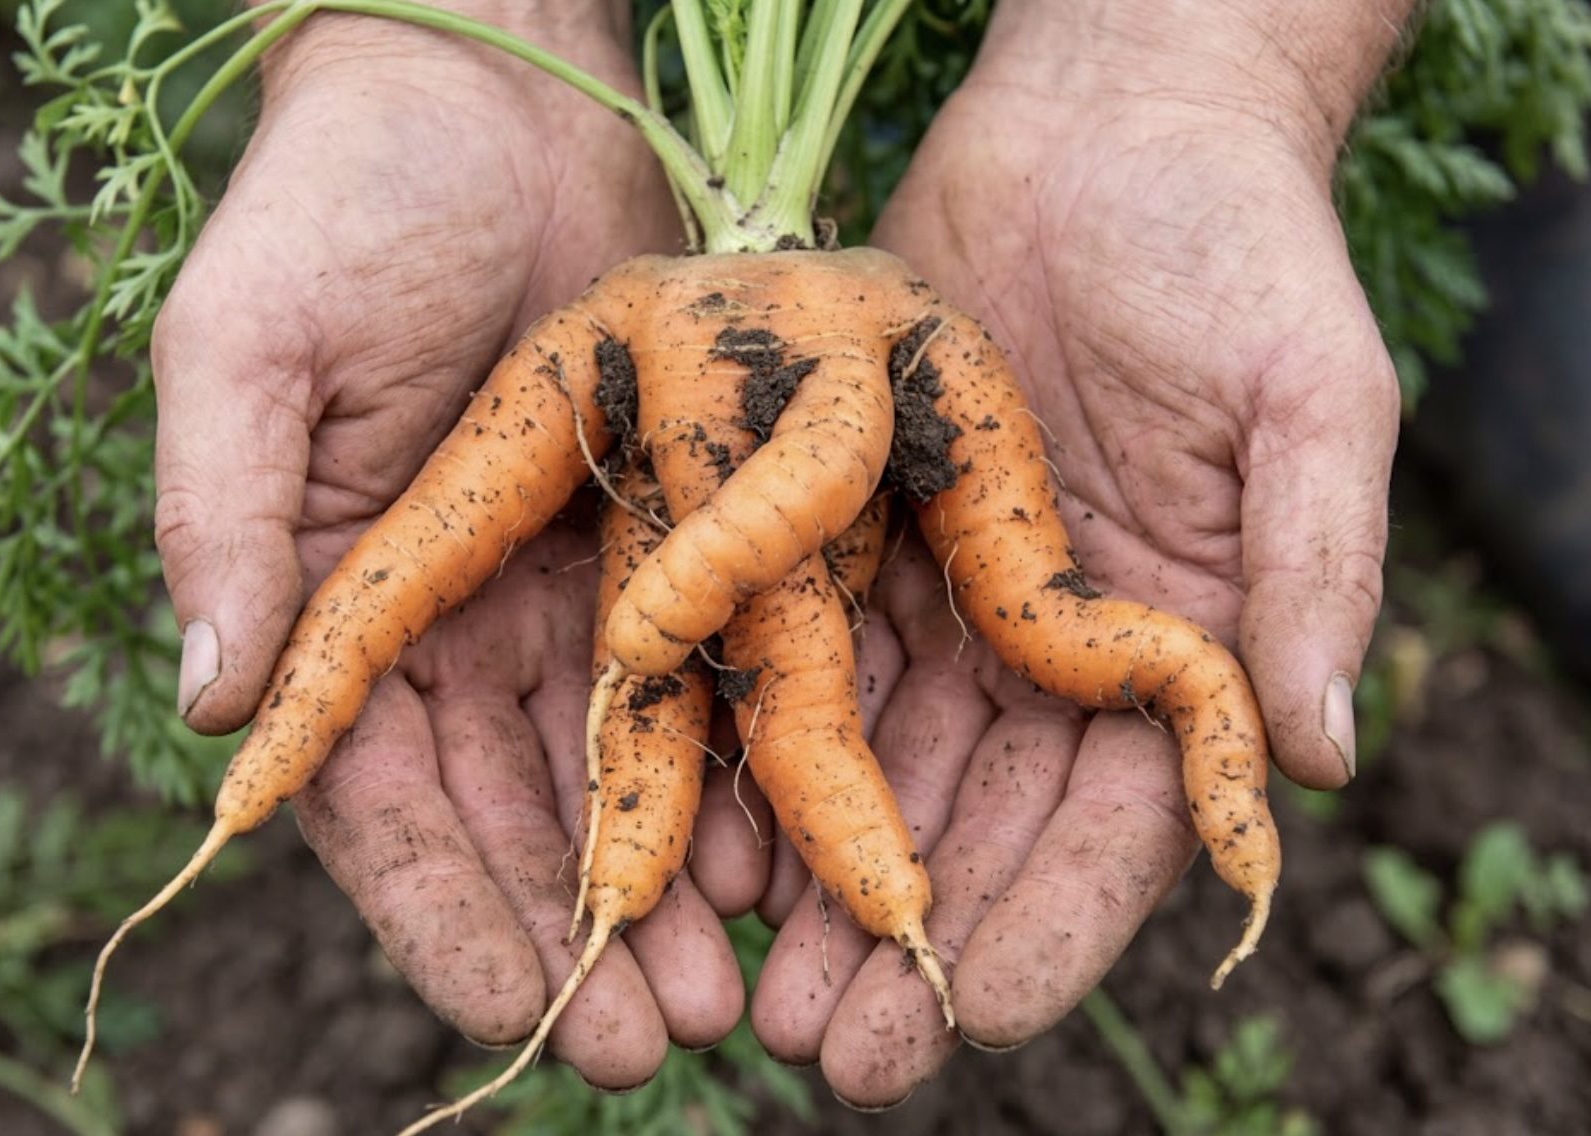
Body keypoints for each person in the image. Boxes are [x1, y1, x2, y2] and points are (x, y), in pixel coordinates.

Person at [150, 0, 1407, 1108]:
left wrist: (1195, 57)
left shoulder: (880, 351)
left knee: (1037, 614)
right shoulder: (667, 332)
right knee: (430, 585)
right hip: (704, 292)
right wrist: (428, 33)